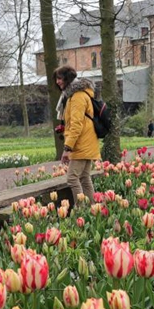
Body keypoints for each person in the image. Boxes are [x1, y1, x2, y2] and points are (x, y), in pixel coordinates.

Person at [54, 65, 100, 204]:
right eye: (56, 79)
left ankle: (81, 210)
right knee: (84, 178)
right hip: (86, 142)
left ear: (68, 78)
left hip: (81, 143)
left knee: (72, 178)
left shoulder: (77, 96)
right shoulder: (74, 95)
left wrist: (67, 148)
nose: (57, 82)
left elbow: (76, 125)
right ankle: (92, 208)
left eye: (60, 78)